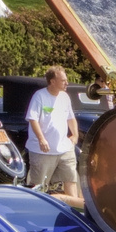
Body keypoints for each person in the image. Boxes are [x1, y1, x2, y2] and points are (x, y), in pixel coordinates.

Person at [25, 65, 80, 193]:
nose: (67, 83)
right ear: (52, 81)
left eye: (66, 80)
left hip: (65, 148)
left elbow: (70, 118)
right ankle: (36, 210)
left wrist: (75, 135)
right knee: (39, 186)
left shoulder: (65, 97)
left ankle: (73, 208)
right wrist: (41, 139)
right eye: (63, 80)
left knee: (71, 179)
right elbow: (33, 119)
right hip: (43, 151)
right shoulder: (39, 96)